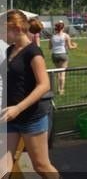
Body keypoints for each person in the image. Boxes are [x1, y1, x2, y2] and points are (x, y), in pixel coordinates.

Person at [0, 10, 59, 178]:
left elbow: (44, 85)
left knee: (41, 166)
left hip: (31, 118)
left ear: (17, 28)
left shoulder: (33, 52)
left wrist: (18, 108)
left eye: (3, 30)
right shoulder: (9, 50)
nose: (1, 35)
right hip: (10, 118)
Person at [49, 21, 77, 95]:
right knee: (62, 73)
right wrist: (75, 46)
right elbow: (70, 47)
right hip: (63, 54)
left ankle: (58, 88)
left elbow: (50, 47)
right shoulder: (66, 36)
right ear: (63, 28)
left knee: (58, 73)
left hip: (54, 55)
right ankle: (61, 90)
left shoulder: (52, 36)